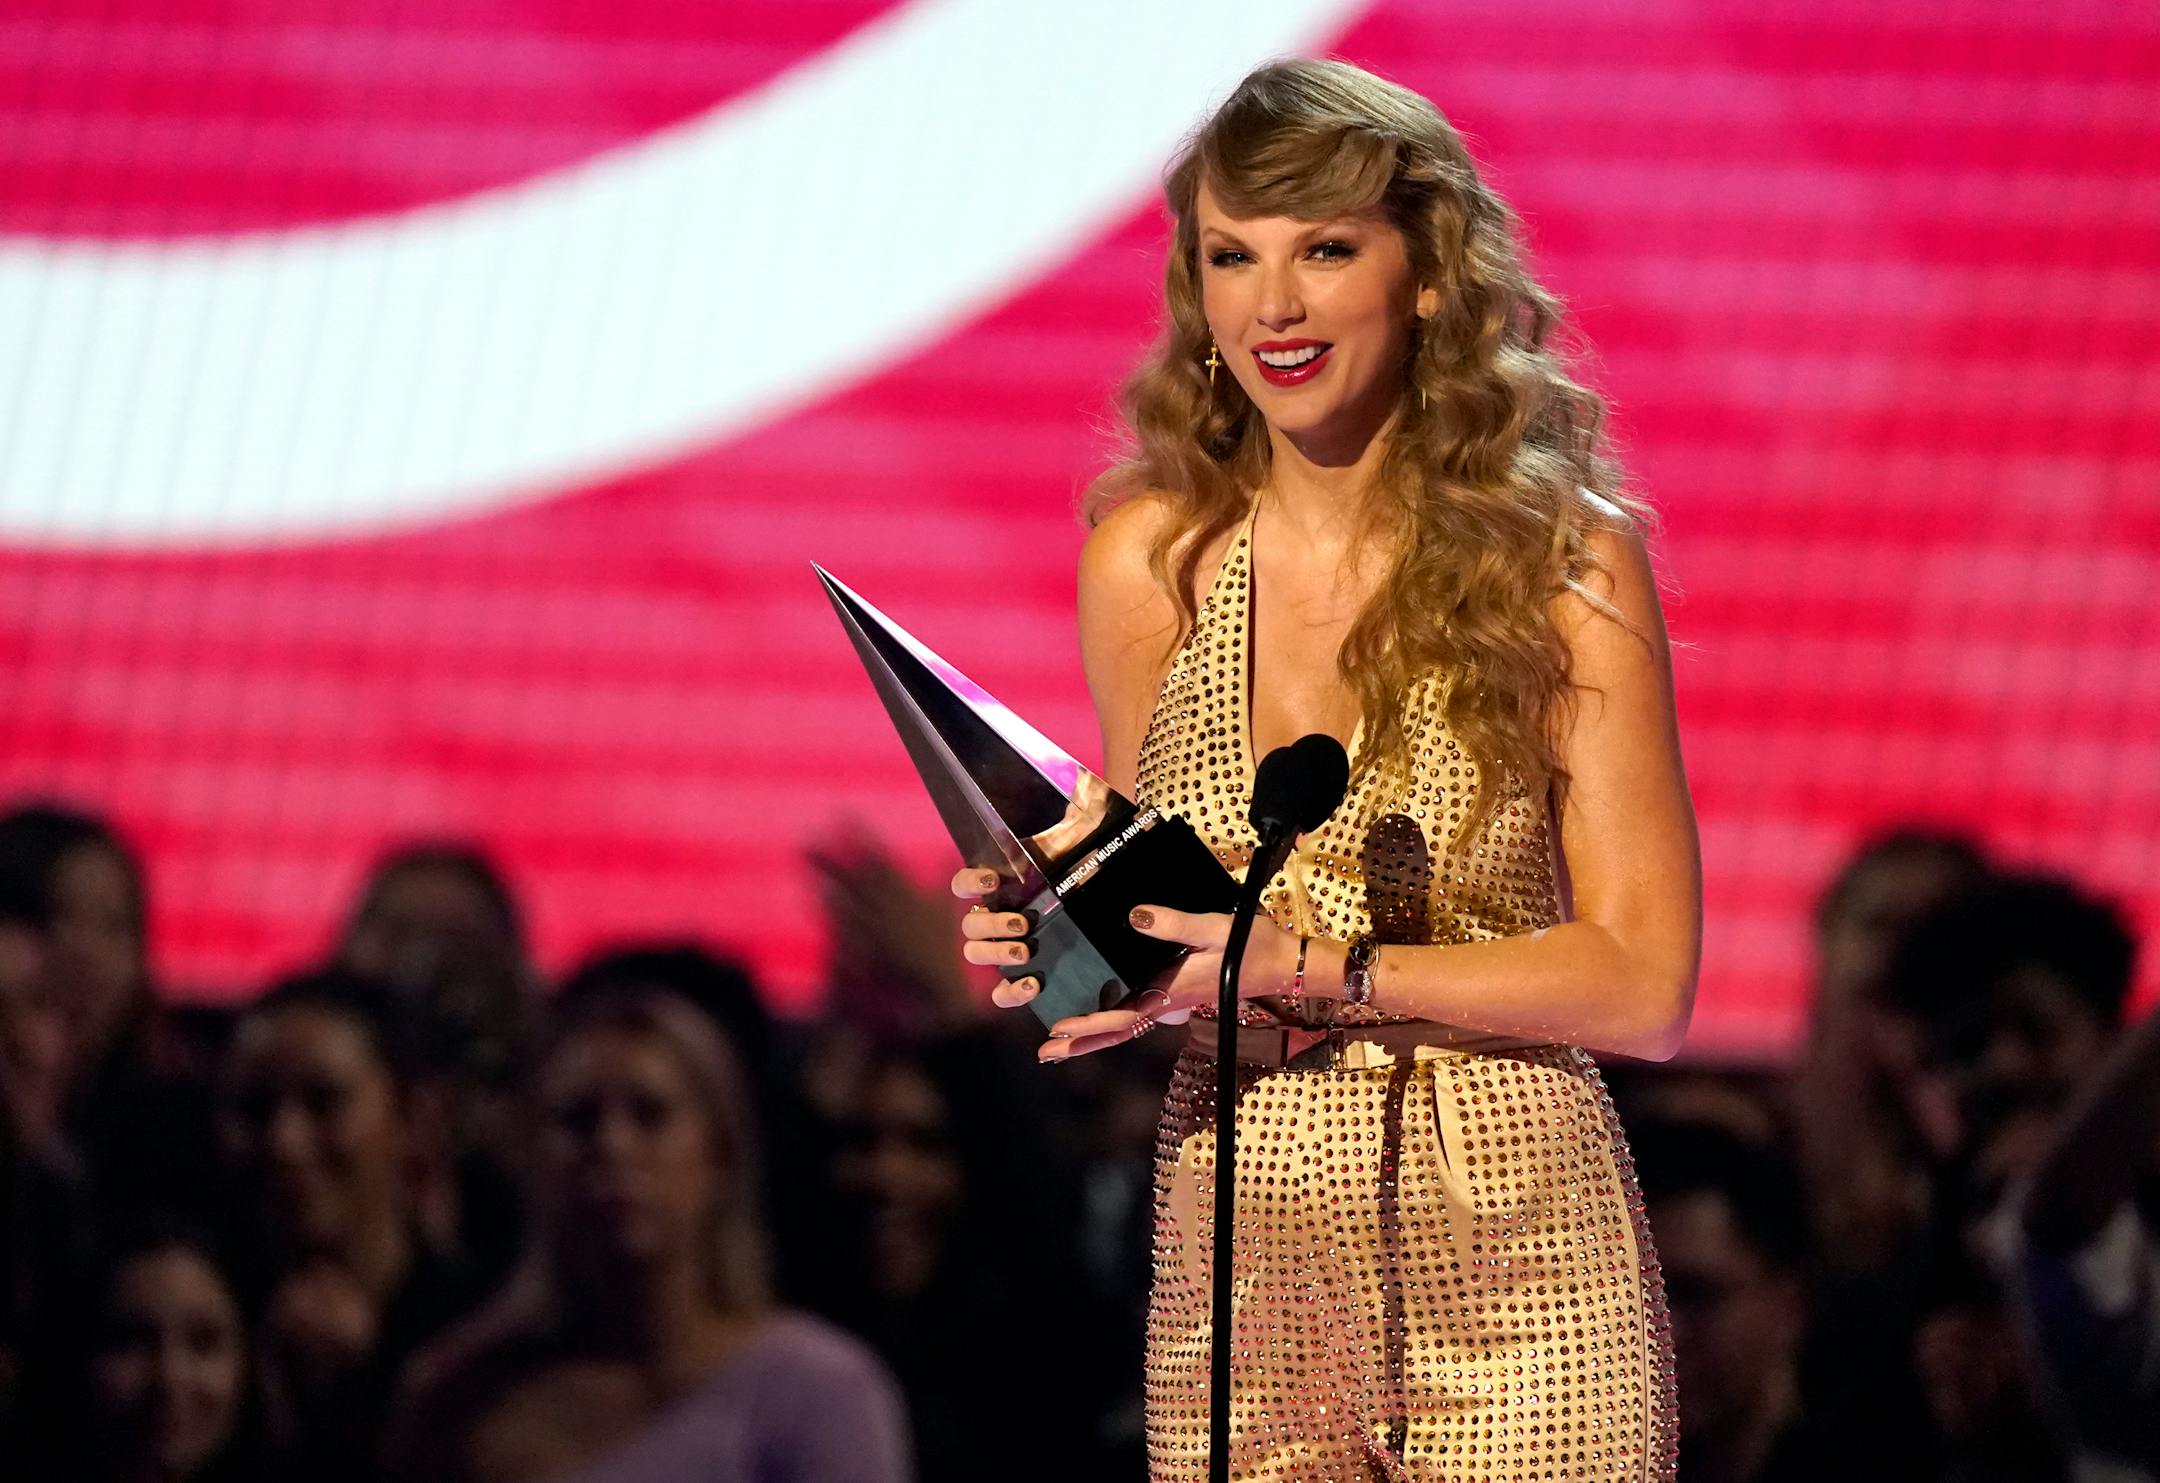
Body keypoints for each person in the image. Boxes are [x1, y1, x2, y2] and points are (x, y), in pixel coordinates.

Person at [953, 58, 1698, 1481]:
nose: (1273, 306)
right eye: (1232, 256)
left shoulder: (1563, 564)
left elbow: (1645, 980)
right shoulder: (1151, 562)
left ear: (1429, 276)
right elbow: (1178, 931)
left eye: (1325, 250)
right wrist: (1067, 941)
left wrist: (1317, 965)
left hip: (1517, 1249)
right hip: (1246, 1226)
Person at [389, 985, 911, 1483]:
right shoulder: (459, 1400)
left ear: (719, 1154)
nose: (613, 1145)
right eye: (579, 1120)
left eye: (650, 1115)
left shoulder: (816, 1392)